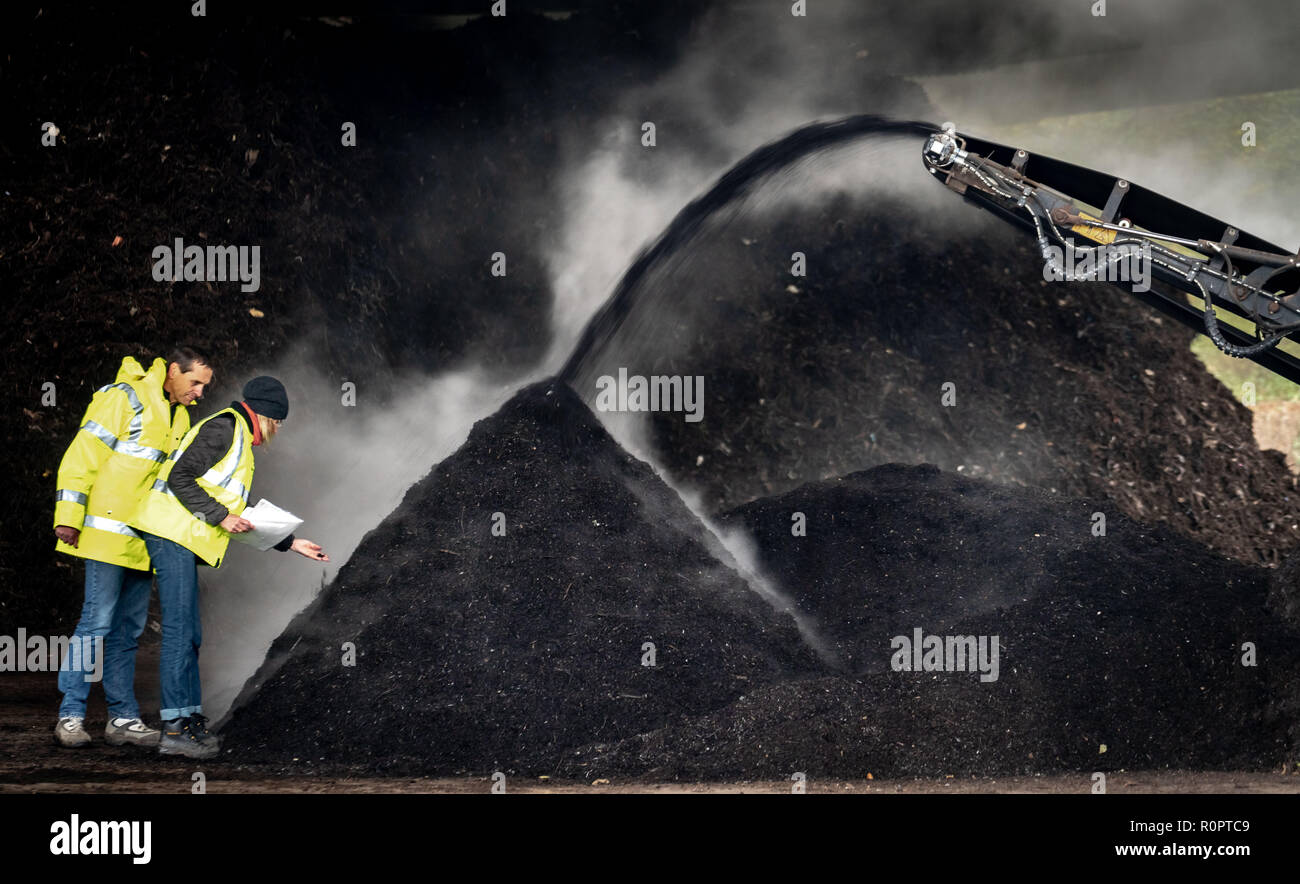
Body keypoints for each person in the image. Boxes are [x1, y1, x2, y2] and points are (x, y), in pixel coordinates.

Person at [130, 376, 329, 758]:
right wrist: (220, 517)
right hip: (170, 534)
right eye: (279, 423)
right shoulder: (223, 428)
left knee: (190, 634)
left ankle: (188, 720)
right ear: (267, 416)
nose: (278, 431)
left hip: (182, 537)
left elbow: (242, 510)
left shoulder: (236, 437)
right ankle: (175, 732)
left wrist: (291, 542)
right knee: (179, 632)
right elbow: (179, 477)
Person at [53, 347, 213, 748]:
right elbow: (82, 456)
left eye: (204, 387)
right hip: (107, 536)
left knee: (127, 631)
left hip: (145, 540)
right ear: (174, 371)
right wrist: (68, 516)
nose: (199, 393)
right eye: (195, 382)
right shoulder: (123, 398)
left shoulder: (178, 414)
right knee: (96, 624)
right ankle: (70, 716)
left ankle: (121, 719)